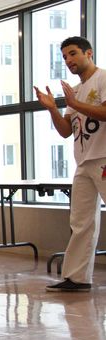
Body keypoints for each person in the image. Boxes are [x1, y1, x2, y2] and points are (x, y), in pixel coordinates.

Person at [35, 36, 106, 292]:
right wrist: (53, 109)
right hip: (83, 163)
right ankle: (77, 278)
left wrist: (75, 104)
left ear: (89, 53)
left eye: (73, 54)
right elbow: (66, 131)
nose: (68, 60)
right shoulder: (75, 90)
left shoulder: (103, 78)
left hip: (104, 157)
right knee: (81, 222)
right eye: (65, 56)